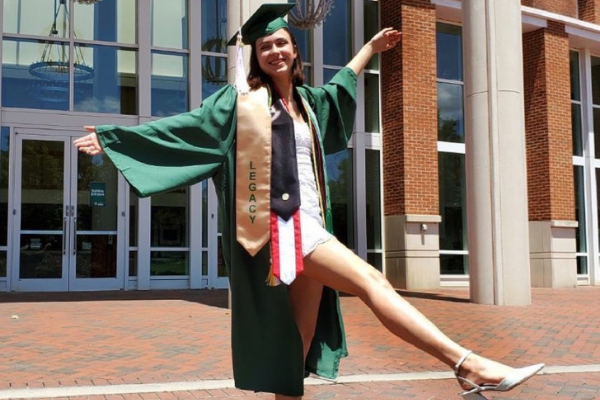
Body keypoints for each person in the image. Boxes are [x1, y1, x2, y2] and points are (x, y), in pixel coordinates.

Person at [74, 4, 543, 400]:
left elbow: (342, 84)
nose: (274, 50)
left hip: (312, 222)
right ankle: (465, 363)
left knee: (296, 343)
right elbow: (186, 129)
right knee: (373, 282)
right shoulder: (239, 102)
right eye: (264, 46)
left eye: (281, 43)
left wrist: (369, 50)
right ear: (257, 57)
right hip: (284, 227)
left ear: (294, 50)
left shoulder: (308, 103)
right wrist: (118, 139)